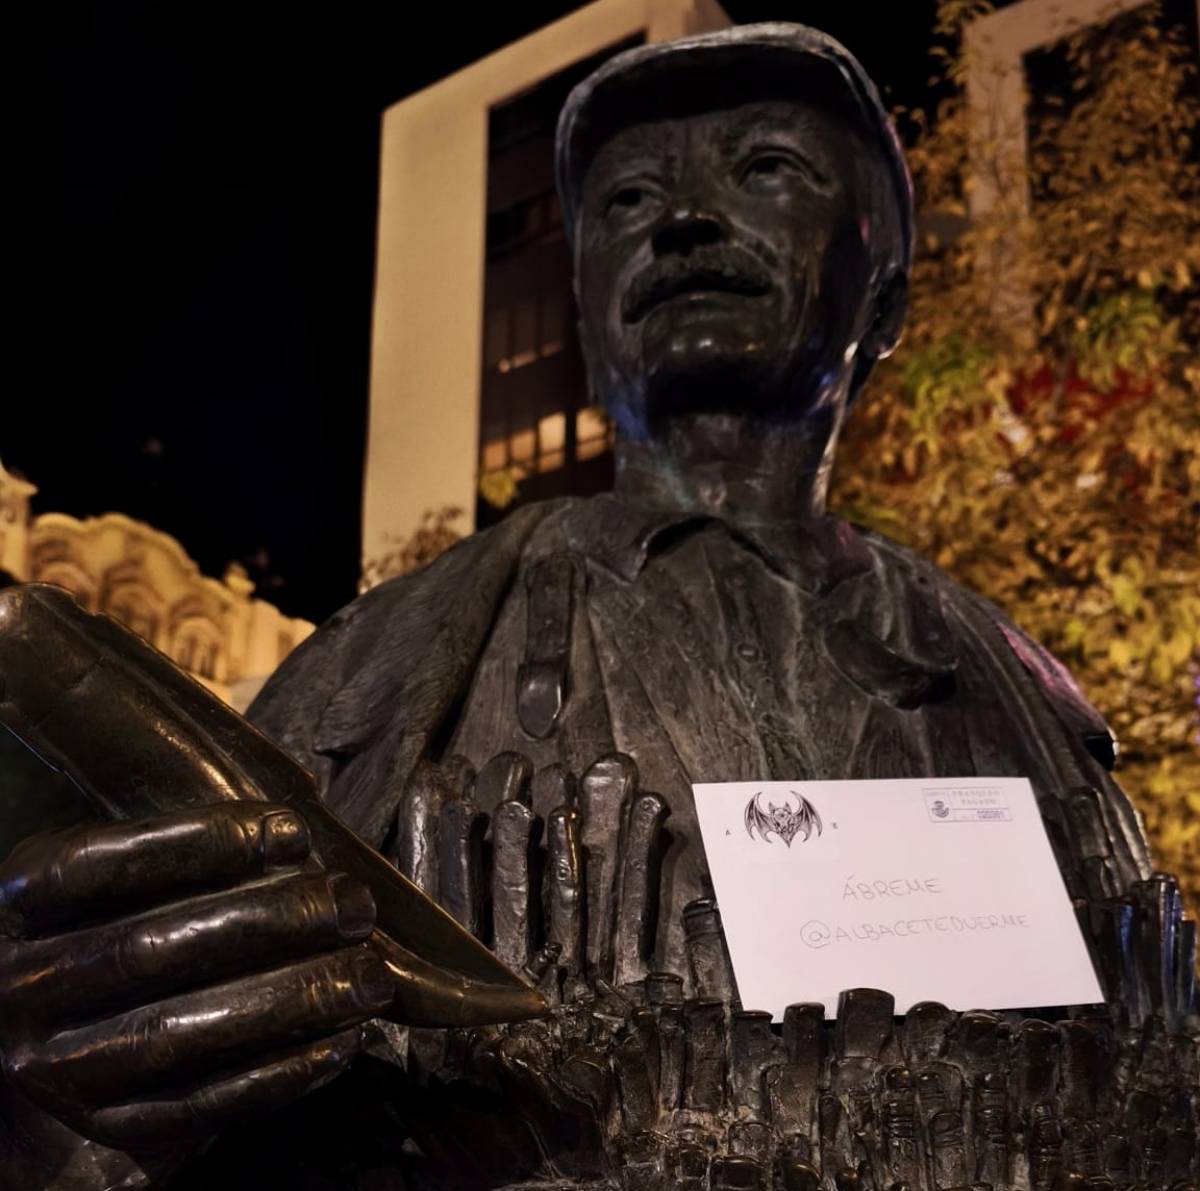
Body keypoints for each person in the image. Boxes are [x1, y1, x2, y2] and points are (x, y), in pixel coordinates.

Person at [1, 24, 1187, 1191]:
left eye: (768, 167)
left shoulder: (1026, 694)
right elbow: (135, 1077)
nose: (684, 220)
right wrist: (68, 1090)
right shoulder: (386, 663)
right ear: (584, 307)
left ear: (881, 302)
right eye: (627, 200)